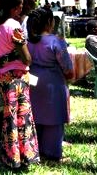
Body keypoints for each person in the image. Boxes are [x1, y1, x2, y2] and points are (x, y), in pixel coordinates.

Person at [0, 0, 39, 168]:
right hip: (17, 79)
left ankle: (10, 157)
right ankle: (23, 157)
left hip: (2, 78)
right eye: (20, 5)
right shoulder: (15, 27)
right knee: (21, 118)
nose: (22, 7)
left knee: (8, 118)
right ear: (16, 8)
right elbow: (27, 59)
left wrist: (4, 59)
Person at [27, 8, 73, 162]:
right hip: (52, 83)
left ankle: (36, 148)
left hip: (33, 80)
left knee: (36, 115)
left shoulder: (28, 42)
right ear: (49, 22)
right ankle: (53, 153)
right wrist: (70, 75)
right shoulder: (56, 41)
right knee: (54, 116)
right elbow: (67, 67)